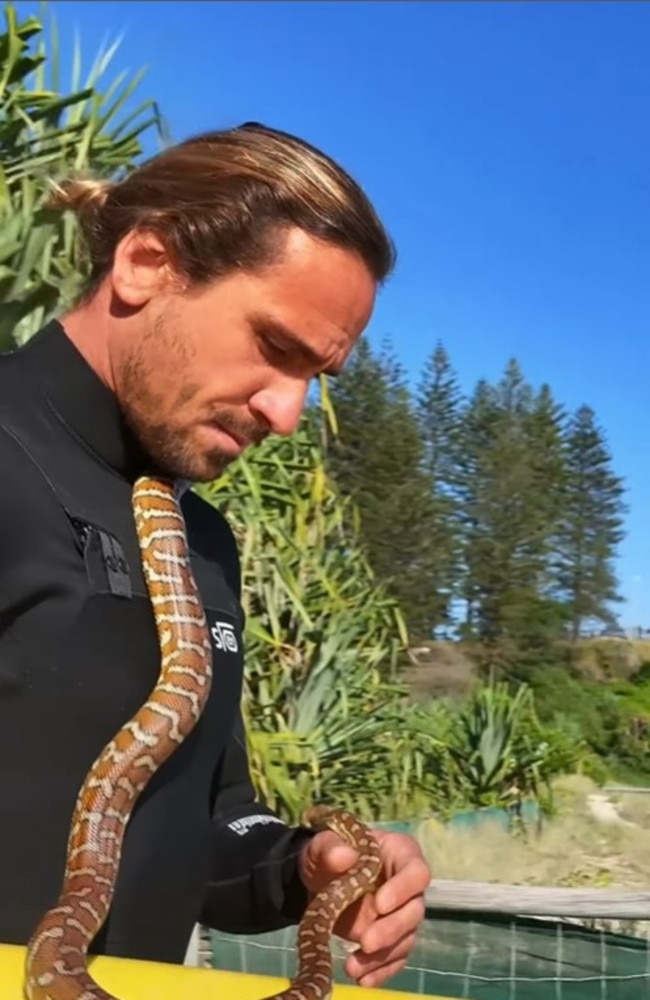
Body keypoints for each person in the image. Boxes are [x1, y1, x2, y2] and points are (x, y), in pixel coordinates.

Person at [0, 121, 430, 989]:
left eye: (317, 375)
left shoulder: (202, 541)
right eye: (275, 347)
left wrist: (302, 866)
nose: (287, 413)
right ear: (147, 265)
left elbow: (206, 822)